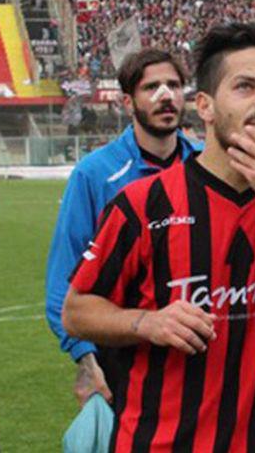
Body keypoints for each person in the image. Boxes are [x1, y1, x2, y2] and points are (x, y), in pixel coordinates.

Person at [62, 23, 255, 452]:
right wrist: (148, 322)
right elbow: (77, 312)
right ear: (205, 106)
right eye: (245, 86)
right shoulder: (145, 203)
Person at [45, 48, 202, 409]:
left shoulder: (206, 164)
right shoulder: (95, 173)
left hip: (201, 348)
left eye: (174, 85)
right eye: (152, 87)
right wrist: (85, 358)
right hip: (125, 356)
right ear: (128, 102)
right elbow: (63, 279)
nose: (166, 96)